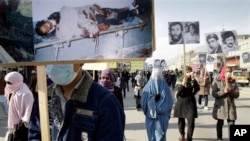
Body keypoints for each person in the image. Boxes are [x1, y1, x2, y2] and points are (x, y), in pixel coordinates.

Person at [28, 64, 125, 141]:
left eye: (65, 56)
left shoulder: (105, 101)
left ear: (81, 61)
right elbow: (35, 135)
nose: (57, 63)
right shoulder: (44, 98)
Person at [35, 4, 138, 39]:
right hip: (89, 24)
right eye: (46, 30)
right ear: (47, 33)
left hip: (87, 12)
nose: (47, 27)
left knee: (107, 12)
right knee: (110, 19)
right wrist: (96, 29)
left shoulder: (56, 13)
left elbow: (70, 11)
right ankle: (132, 13)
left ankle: (128, 11)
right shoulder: (58, 33)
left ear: (44, 21)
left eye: (45, 26)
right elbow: (75, 32)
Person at [141, 68, 173, 141]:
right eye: (155, 75)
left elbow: (169, 103)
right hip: (151, 118)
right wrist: (153, 98)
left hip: (162, 118)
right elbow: (143, 103)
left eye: (158, 75)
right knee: (151, 137)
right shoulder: (147, 87)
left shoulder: (165, 87)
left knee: (161, 138)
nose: (156, 78)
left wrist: (159, 109)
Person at [4, 71, 34, 141]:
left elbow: (28, 110)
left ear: (17, 81)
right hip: (16, 125)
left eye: (9, 83)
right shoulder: (15, 91)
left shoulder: (25, 93)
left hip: (23, 126)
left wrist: (22, 123)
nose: (7, 85)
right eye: (7, 82)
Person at [212, 66, 239, 141]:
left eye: (230, 71)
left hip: (230, 107)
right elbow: (214, 94)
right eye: (227, 71)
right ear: (223, 72)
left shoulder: (233, 82)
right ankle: (219, 138)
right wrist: (224, 91)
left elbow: (237, 94)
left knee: (232, 124)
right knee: (220, 124)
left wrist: (231, 91)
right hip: (221, 106)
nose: (228, 73)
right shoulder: (217, 81)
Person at [173, 66, 200, 141]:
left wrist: (193, 79)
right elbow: (178, 92)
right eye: (187, 72)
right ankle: (182, 134)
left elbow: (197, 88)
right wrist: (183, 84)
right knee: (181, 121)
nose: (189, 74)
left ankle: (189, 138)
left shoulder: (193, 80)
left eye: (190, 72)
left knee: (191, 122)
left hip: (190, 103)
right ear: (184, 72)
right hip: (181, 102)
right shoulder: (180, 79)